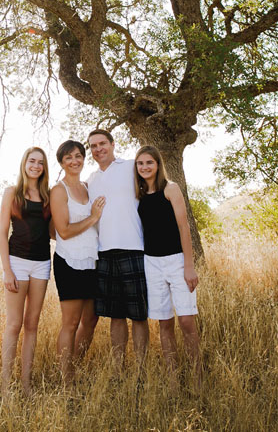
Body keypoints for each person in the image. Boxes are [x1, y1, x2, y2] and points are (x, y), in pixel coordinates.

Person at [134, 145, 201, 387]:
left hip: (176, 261)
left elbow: (184, 228)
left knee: (186, 321)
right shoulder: (139, 196)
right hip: (151, 263)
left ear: (157, 164)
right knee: (165, 323)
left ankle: (197, 378)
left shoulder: (170, 189)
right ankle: (174, 380)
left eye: (149, 162)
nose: (144, 167)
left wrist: (189, 265)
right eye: (140, 163)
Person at [86, 129, 150, 369]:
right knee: (116, 315)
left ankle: (142, 370)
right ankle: (118, 369)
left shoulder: (131, 166)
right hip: (104, 252)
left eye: (102, 143)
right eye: (93, 146)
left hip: (134, 248)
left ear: (112, 144)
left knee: (139, 315)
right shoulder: (90, 180)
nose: (98, 149)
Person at [49, 140, 105, 386]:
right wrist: (93, 217)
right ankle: (67, 380)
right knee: (70, 323)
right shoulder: (59, 190)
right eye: (69, 157)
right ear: (61, 162)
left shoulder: (87, 186)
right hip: (69, 262)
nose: (75, 161)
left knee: (91, 320)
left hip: (92, 261)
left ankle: (75, 365)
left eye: (78, 156)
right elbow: (63, 230)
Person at [0, 146, 52, 398]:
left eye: (40, 162)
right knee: (14, 324)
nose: (36, 166)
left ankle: (26, 385)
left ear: (44, 167)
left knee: (32, 325)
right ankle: (5, 386)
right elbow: (1, 233)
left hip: (42, 263)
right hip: (17, 261)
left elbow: (52, 230)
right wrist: (7, 270)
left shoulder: (48, 196)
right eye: (32, 161)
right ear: (24, 163)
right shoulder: (12, 193)